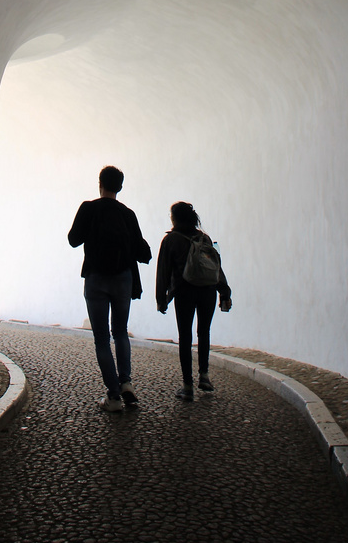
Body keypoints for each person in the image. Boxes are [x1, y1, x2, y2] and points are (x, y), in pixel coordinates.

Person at [68, 166, 152, 412]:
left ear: (99, 183)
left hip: (96, 277)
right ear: (121, 187)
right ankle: (126, 382)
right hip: (123, 278)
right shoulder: (128, 213)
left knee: (102, 338)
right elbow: (141, 250)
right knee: (121, 332)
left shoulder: (88, 208)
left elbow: (73, 240)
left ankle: (113, 396)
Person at [155, 201, 232, 401]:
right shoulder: (204, 238)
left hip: (184, 292)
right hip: (207, 290)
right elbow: (216, 266)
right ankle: (204, 376)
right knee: (204, 332)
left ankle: (187, 385)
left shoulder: (171, 240)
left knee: (185, 337)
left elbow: (163, 271)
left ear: (175, 218)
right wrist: (224, 292)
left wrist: (161, 298)